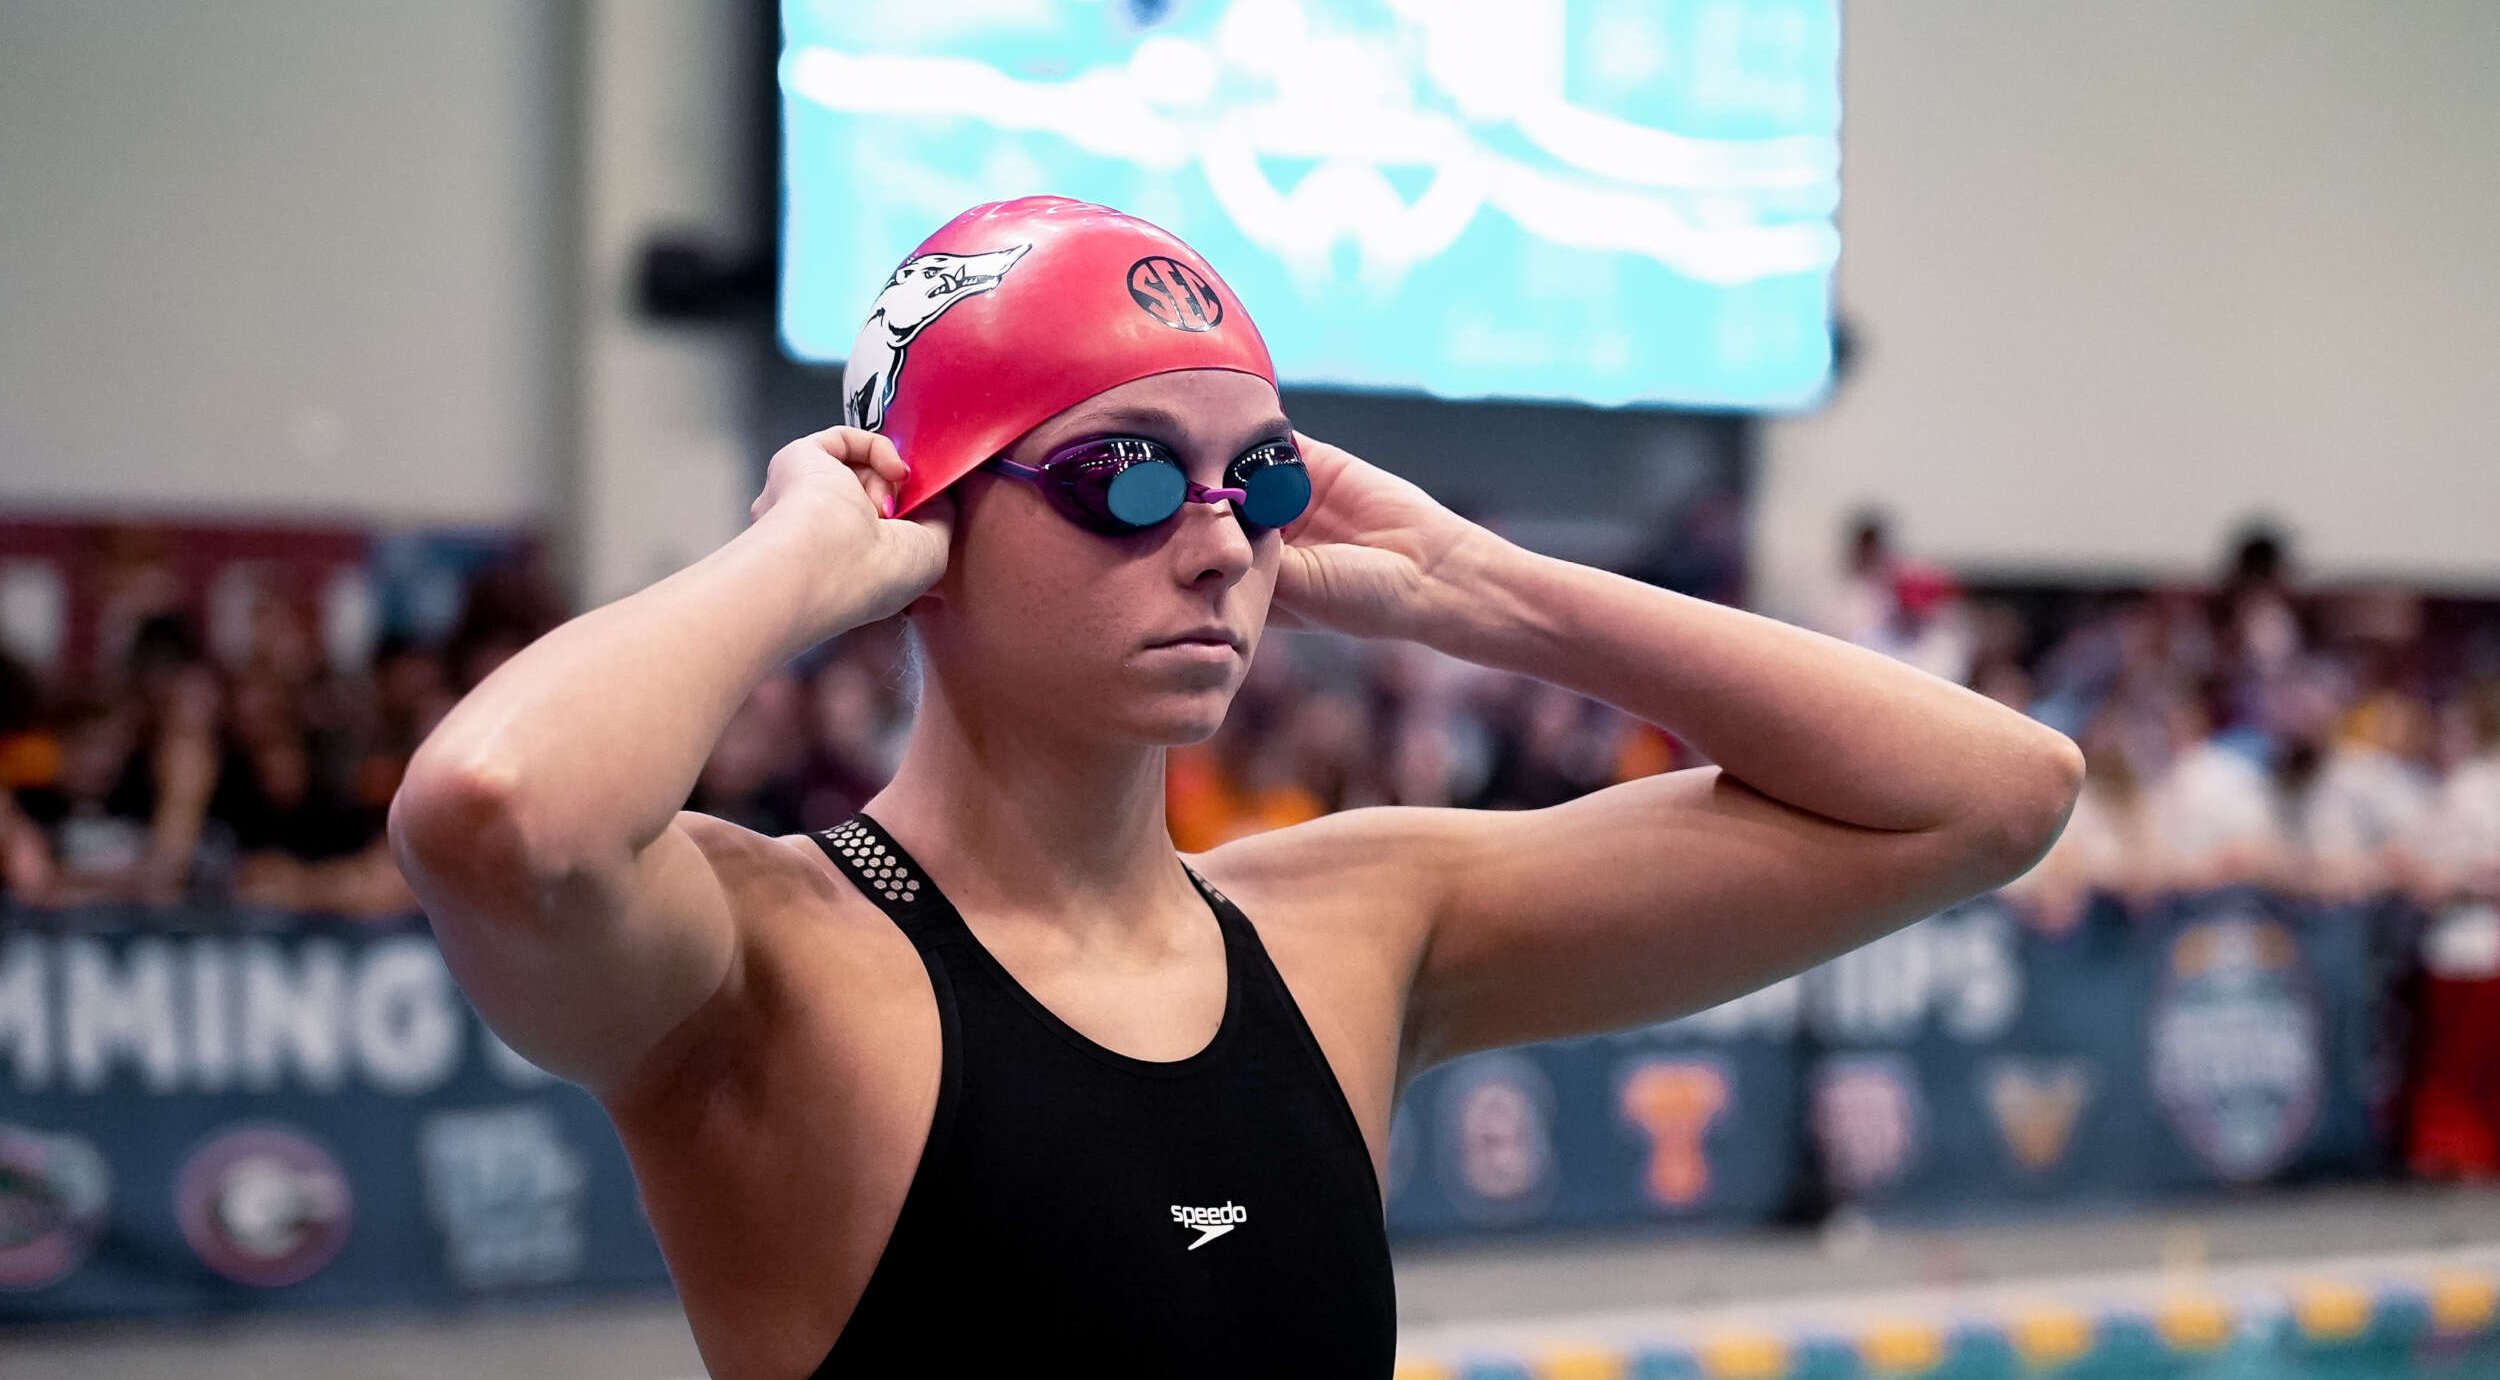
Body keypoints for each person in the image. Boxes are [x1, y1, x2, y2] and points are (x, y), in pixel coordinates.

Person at [389, 196, 2082, 1379]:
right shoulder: (767, 964)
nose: (1216, 539)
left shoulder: (1355, 924)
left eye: (1257, 479)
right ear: (926, 522)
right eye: (1126, 478)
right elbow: (496, 805)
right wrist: (799, 555)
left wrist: (1477, 585)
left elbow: (1993, 794)